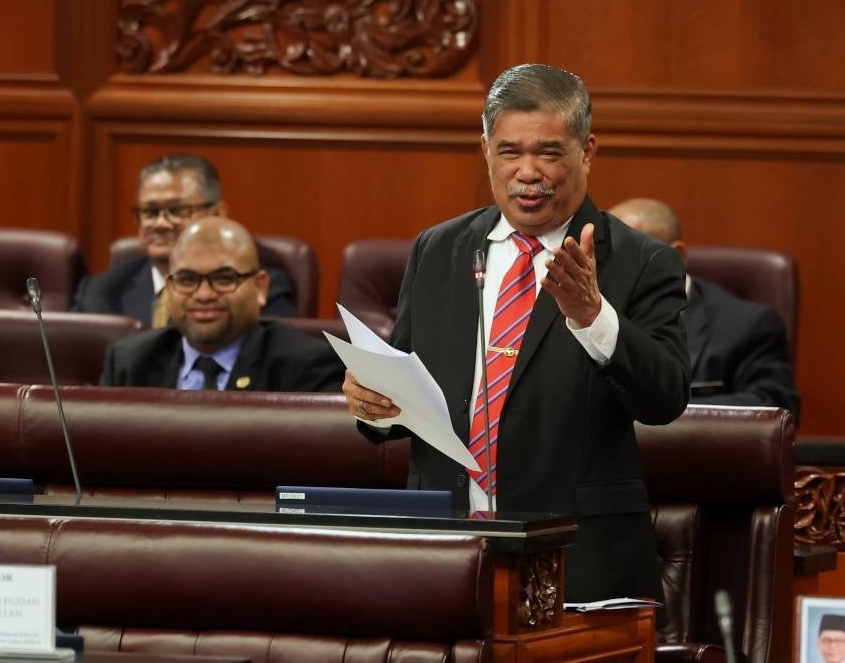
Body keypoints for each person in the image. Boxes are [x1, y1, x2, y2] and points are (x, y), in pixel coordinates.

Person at [342, 64, 690, 608]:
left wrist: (593, 317)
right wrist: (371, 402)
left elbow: (665, 398)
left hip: (578, 561)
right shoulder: (439, 250)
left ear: (587, 150)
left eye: (549, 152)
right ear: (485, 150)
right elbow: (407, 383)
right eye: (509, 152)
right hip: (442, 555)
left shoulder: (642, 262)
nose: (529, 172)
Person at [609, 198, 801, 422]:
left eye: (625, 256)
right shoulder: (589, 315)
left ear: (677, 256)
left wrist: (667, 404)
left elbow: (774, 405)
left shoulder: (748, 325)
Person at [100, 216, 342, 392]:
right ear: (169, 289)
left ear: (260, 287)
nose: (204, 294)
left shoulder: (308, 365)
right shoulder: (128, 362)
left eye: (224, 278)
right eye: (187, 280)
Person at [73, 154, 296, 327]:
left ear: (217, 214)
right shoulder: (100, 292)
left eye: (177, 210)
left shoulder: (253, 287)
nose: (160, 223)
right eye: (150, 212)